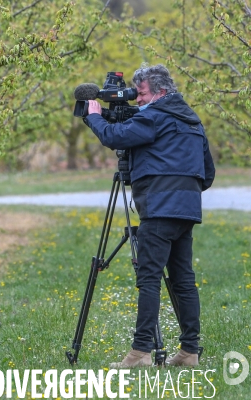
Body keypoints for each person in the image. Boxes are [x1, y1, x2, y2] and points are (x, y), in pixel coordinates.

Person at [84, 63, 215, 367]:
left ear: (161, 92)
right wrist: (183, 190)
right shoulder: (194, 121)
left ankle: (140, 352)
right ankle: (189, 352)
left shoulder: (155, 117)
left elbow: (115, 137)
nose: (137, 100)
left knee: (149, 278)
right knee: (183, 280)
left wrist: (93, 116)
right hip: (186, 211)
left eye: (140, 94)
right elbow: (207, 175)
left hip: (159, 209)